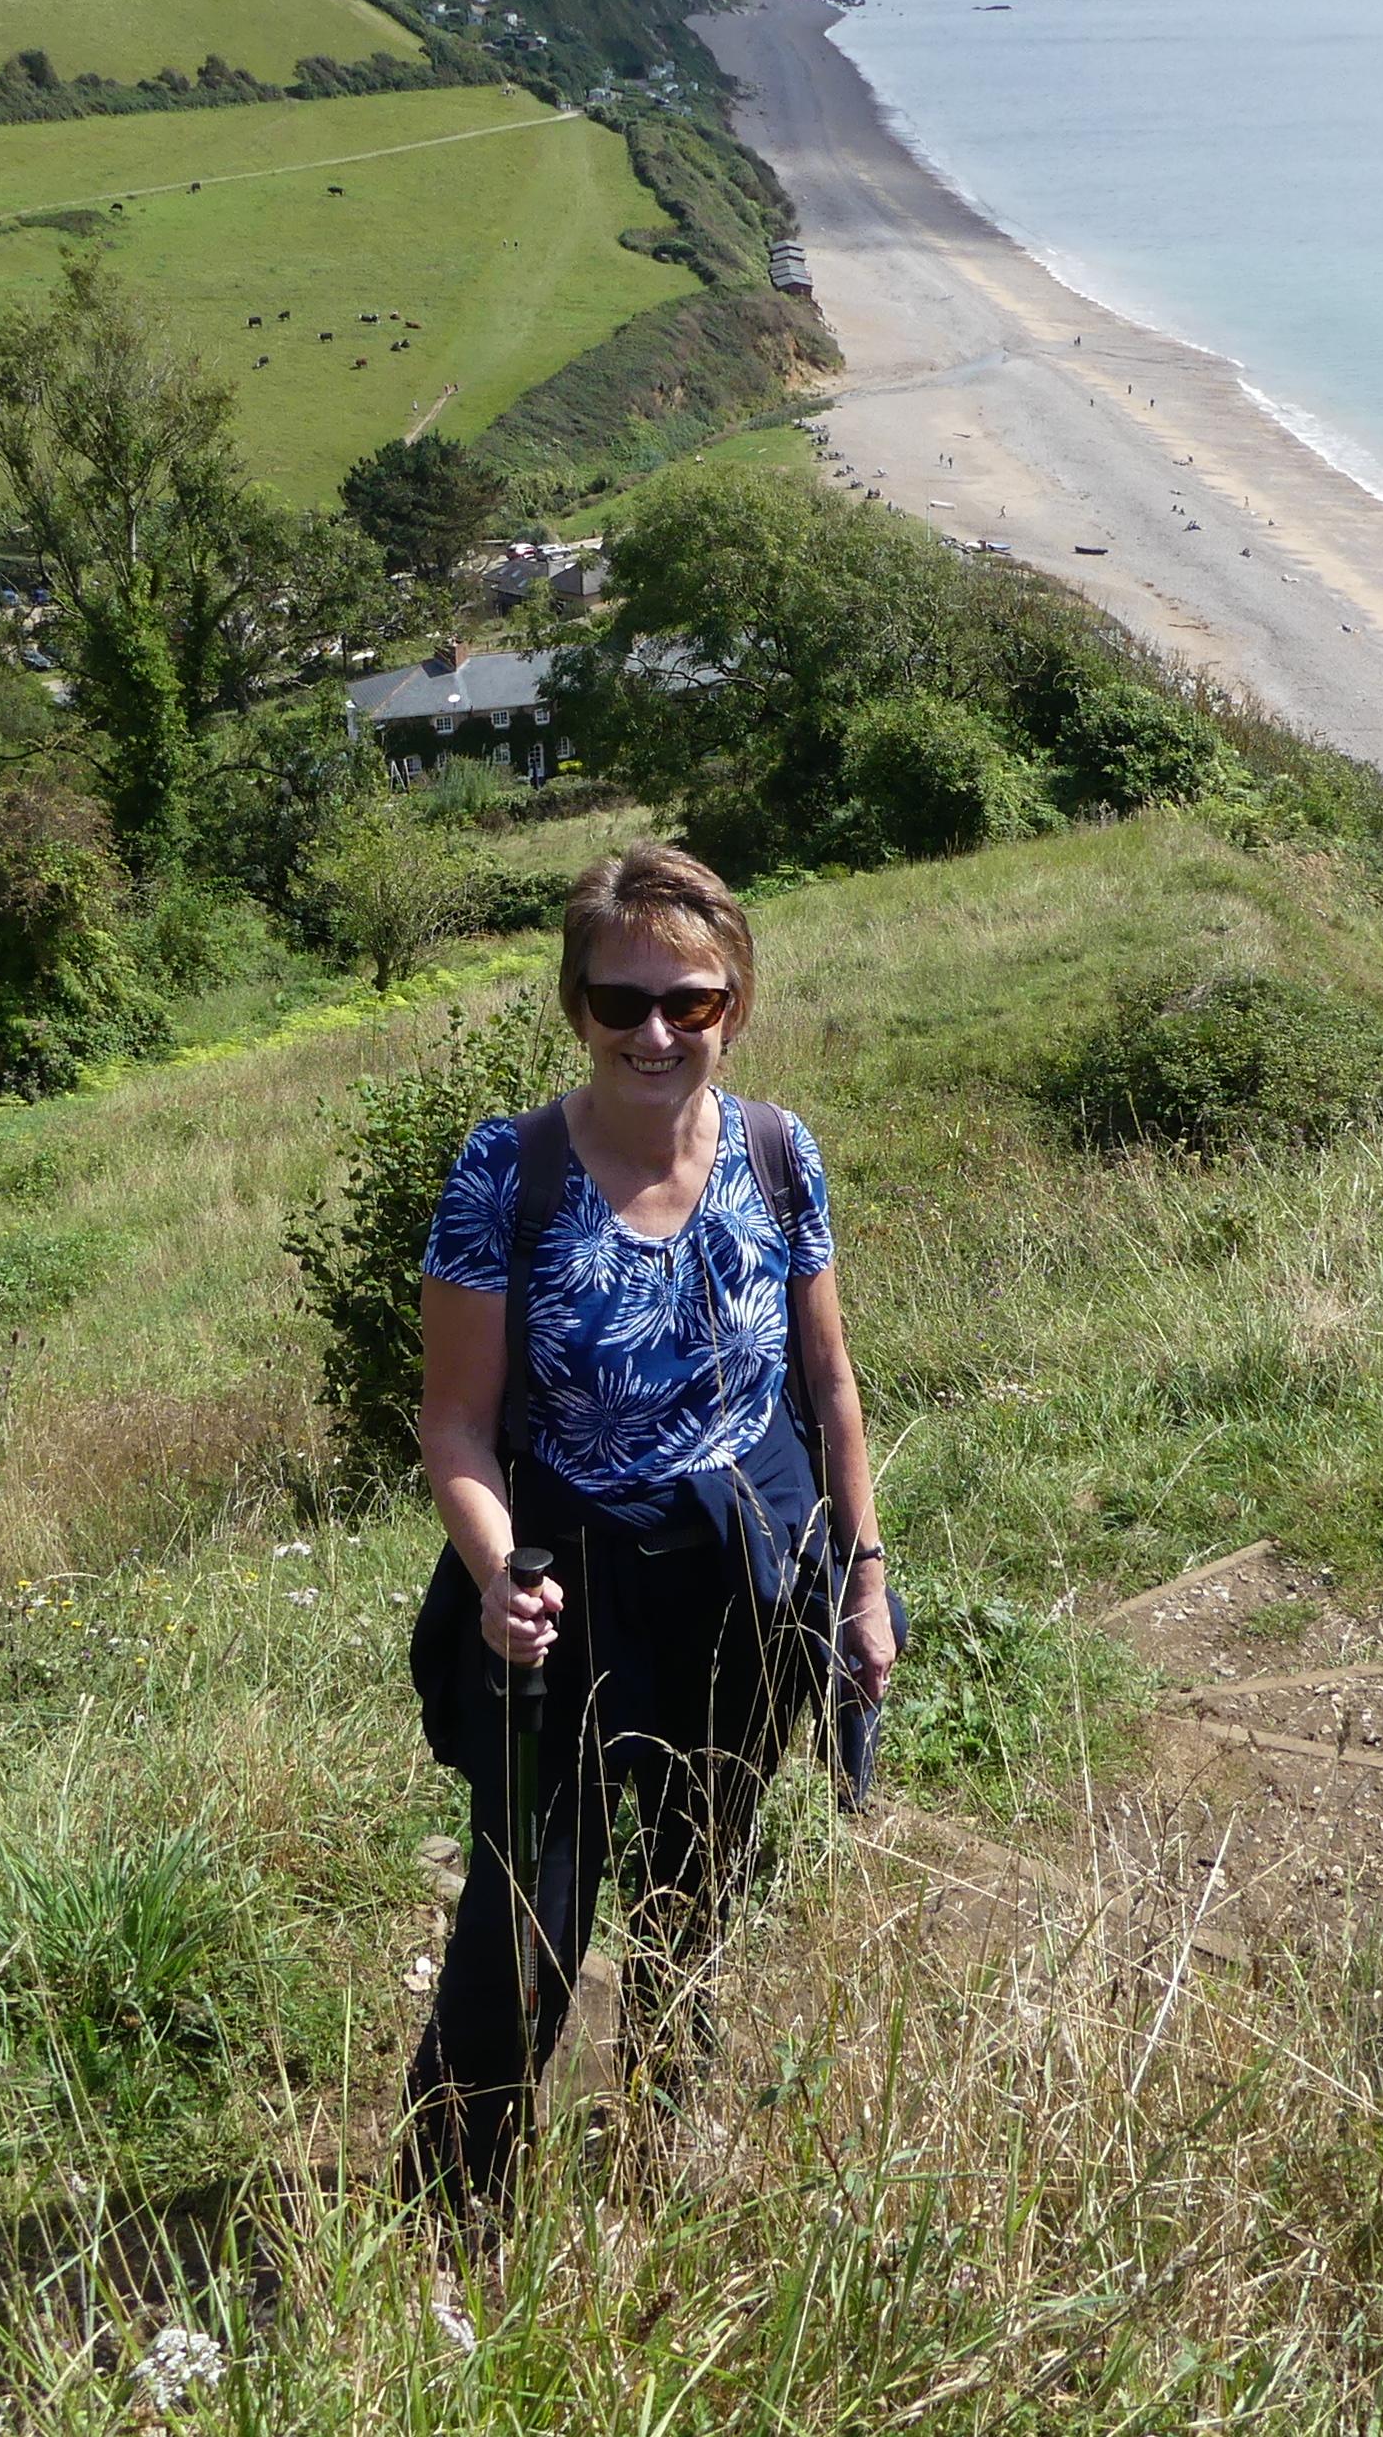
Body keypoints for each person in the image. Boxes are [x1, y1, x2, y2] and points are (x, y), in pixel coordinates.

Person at [401, 844, 898, 2203]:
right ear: (578, 1008)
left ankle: (663, 2140)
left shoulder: (781, 1159)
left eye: (691, 999)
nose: (657, 1032)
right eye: (622, 1003)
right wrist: (499, 1572)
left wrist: (862, 1578)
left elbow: (832, 1384)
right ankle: (453, 2218)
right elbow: (453, 1420)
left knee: (701, 1891)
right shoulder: (507, 1175)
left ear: (736, 1002)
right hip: (564, 1594)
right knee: (527, 1925)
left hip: (740, 1582)